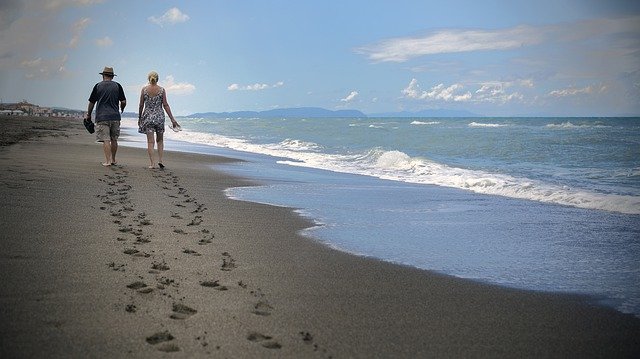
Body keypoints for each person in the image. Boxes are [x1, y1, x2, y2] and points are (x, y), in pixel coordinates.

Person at [138, 71, 180, 169]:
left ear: (149, 78)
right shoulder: (162, 90)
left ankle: (152, 164)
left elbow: (141, 105)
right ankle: (160, 160)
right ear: (157, 79)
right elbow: (165, 105)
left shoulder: (144, 90)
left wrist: (140, 117)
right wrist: (172, 119)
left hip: (148, 118)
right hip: (159, 118)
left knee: (150, 142)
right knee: (160, 141)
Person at [86, 66, 127, 166]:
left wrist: (88, 114)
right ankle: (113, 159)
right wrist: (122, 108)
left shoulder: (98, 86)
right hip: (115, 117)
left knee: (106, 139)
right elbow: (123, 101)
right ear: (112, 76)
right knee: (114, 139)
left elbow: (92, 102)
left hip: (102, 117)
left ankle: (108, 161)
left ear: (103, 76)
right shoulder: (118, 86)